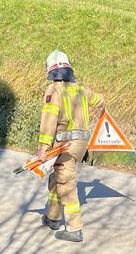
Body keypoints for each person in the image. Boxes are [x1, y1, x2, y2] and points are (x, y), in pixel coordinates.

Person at [36, 50, 104, 243]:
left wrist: (43, 146)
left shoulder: (54, 91)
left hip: (64, 144)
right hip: (81, 144)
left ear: (50, 70)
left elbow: (49, 120)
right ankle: (53, 217)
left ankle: (75, 228)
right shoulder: (81, 89)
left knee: (65, 182)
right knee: (56, 177)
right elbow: (100, 101)